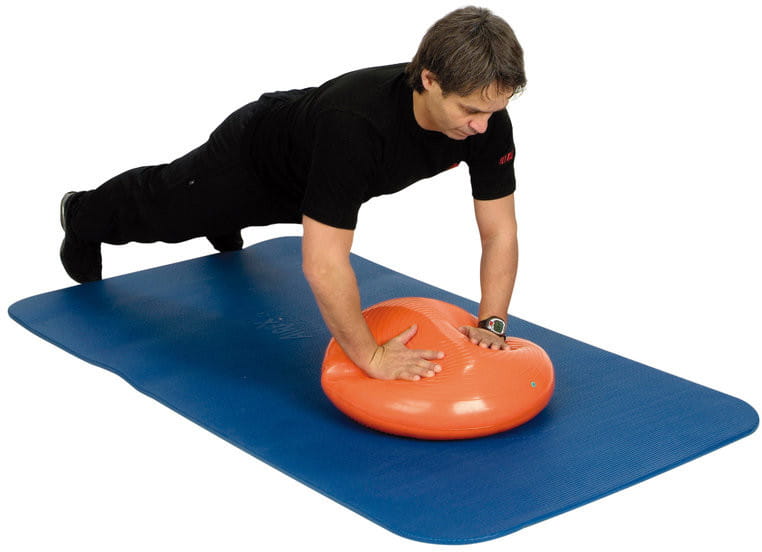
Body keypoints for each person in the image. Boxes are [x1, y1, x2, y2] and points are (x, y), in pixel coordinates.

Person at [58, 6, 525, 382]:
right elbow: (322, 264)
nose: (482, 127)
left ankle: (222, 220)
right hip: (252, 162)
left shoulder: (485, 121)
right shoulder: (356, 127)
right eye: (469, 110)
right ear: (428, 79)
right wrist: (372, 356)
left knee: (237, 214)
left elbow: (499, 232)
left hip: (313, 175)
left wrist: (492, 322)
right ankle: (81, 215)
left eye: (492, 111)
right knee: (163, 207)